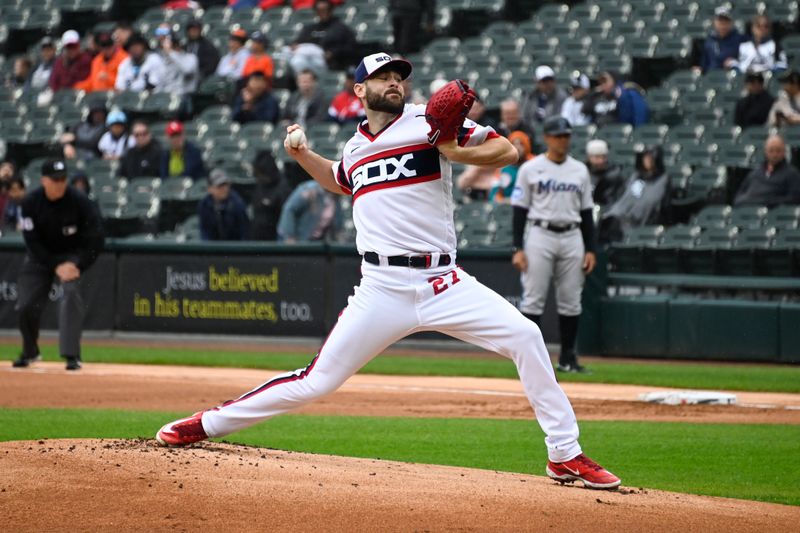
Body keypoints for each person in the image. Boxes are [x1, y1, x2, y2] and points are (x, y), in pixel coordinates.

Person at [155, 52, 622, 491]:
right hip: (380, 287)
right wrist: (302, 157)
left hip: (444, 281)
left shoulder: (429, 121)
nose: (395, 82)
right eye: (383, 76)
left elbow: (507, 152)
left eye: (399, 76)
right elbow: (340, 180)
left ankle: (563, 452)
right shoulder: (357, 146)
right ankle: (206, 423)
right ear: (360, 90)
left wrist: (456, 151)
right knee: (317, 381)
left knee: (525, 336)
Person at [511, 116, 597, 375]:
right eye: (558, 135)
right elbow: (519, 210)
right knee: (533, 300)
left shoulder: (579, 169)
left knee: (571, 300)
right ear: (547, 137)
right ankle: (530, 360)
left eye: (566, 135)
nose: (563, 140)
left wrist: (591, 248)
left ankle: (568, 358)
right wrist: (518, 248)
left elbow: (587, 213)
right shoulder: (530, 168)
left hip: (572, 235)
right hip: (540, 233)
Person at [12, 159, 104, 371]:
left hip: (72, 256)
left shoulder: (79, 201)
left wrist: (78, 264)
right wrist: (54, 265)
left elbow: (96, 237)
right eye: (55, 180)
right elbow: (32, 241)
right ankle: (30, 351)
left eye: (63, 179)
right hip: (40, 257)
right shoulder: (31, 203)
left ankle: (72, 354)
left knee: (70, 294)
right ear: (44, 180)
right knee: (25, 304)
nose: (60, 183)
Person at [600, 145, 669, 243]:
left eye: (650, 157)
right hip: (623, 220)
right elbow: (628, 198)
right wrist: (614, 215)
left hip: (643, 223)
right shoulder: (637, 177)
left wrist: (631, 216)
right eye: (645, 157)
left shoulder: (663, 179)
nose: (647, 160)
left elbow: (651, 201)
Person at [734, 135, 800, 206]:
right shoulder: (755, 173)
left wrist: (769, 202)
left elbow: (794, 198)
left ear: (784, 152)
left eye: (778, 151)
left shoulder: (791, 173)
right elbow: (738, 197)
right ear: (765, 151)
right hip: (750, 209)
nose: (774, 155)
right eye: (771, 150)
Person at [295, 0, 357, 70]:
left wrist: (332, 53)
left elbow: (351, 47)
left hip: (333, 64)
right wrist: (295, 45)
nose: (322, 13)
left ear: (331, 10)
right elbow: (299, 42)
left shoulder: (341, 29)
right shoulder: (310, 28)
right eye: (319, 10)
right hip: (308, 60)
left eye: (325, 10)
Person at [583, 71, 649, 128]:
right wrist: (592, 95)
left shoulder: (627, 94)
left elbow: (636, 115)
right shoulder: (597, 97)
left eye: (605, 81)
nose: (603, 85)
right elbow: (585, 111)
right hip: (600, 136)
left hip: (621, 134)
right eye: (601, 82)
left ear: (614, 80)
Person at [251, 149, 292, 240]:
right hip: (257, 238)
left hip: (275, 239)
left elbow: (285, 219)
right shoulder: (260, 186)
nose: (260, 177)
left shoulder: (283, 188)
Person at [198, 169, 250, 240]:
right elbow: (205, 231)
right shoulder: (204, 204)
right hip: (213, 247)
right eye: (219, 186)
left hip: (235, 247)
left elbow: (244, 232)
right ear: (210, 189)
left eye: (225, 185)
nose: (224, 189)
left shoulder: (237, 203)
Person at [693, 5, 745, 73]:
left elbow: (745, 63)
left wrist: (734, 62)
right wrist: (700, 69)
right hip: (712, 78)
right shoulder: (709, 41)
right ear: (714, 22)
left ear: (731, 23)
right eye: (720, 20)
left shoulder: (740, 40)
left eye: (726, 21)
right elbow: (704, 64)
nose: (723, 24)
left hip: (732, 76)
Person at [488, 130, 534, 203]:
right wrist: (505, 201)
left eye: (521, 144)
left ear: (527, 145)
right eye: (514, 144)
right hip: (506, 208)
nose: (517, 147)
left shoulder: (534, 164)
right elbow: (494, 194)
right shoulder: (502, 167)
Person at [153, 25, 199, 96]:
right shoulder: (165, 61)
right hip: (167, 96)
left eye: (174, 44)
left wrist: (171, 53)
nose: (173, 47)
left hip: (186, 95)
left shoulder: (191, 58)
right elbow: (160, 82)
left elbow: (186, 70)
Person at [521, 65, 568, 133]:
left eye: (550, 80)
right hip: (532, 132)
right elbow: (524, 117)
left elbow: (560, 118)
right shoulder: (530, 97)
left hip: (553, 132)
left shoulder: (561, 96)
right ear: (537, 82)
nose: (548, 84)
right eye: (544, 81)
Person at [585, 139, 626, 207]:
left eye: (603, 157)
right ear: (589, 157)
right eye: (597, 157)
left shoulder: (615, 175)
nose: (601, 161)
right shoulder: (582, 172)